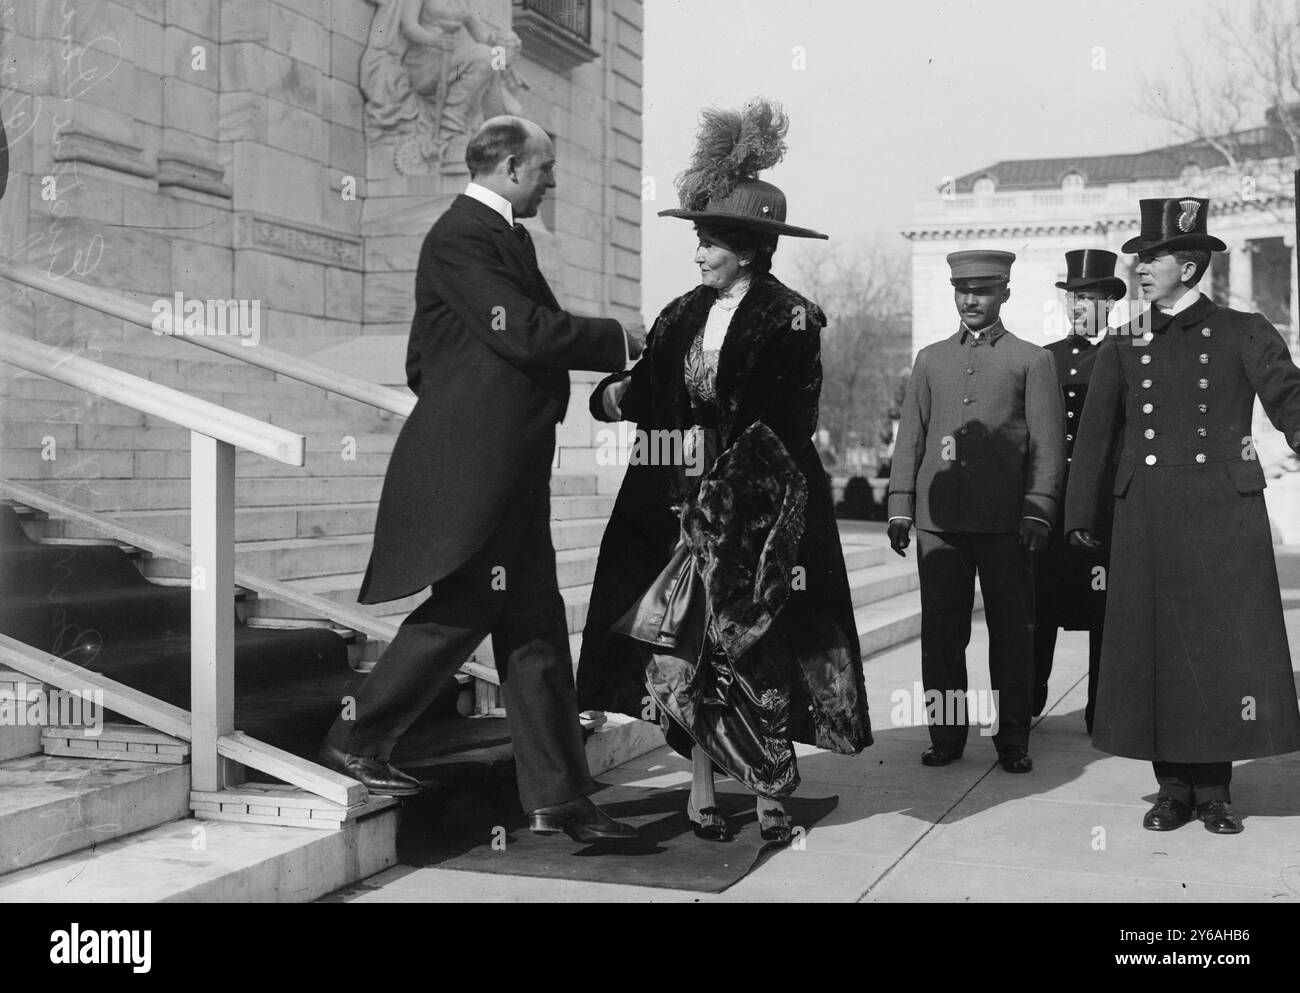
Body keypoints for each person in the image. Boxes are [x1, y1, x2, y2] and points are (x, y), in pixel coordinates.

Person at [319, 116, 644, 845]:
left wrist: (479, 400)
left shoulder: (494, 236)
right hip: (480, 474)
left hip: (505, 469)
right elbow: (525, 330)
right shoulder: (463, 233)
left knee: (532, 625)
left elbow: (423, 358)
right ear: (508, 167)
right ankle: (358, 738)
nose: (553, 181)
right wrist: (621, 337)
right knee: (471, 602)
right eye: (545, 167)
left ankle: (561, 796)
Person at [577, 100, 871, 844]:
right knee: (682, 653)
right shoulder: (682, 313)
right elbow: (647, 391)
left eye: (709, 240)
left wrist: (723, 500)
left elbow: (784, 428)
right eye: (700, 238)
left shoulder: (790, 320)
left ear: (746, 248)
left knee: (756, 652)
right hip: (670, 510)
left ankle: (772, 792)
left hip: (754, 519)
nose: (698, 251)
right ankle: (701, 781)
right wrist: (605, 399)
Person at [1066, 197, 1300, 834]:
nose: (1140, 266)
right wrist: (1081, 509)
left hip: (1223, 515)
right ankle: (1171, 788)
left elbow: (1289, 397)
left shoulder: (1243, 330)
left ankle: (1215, 789)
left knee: (1218, 652)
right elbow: (1095, 434)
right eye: (1140, 256)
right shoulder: (1126, 337)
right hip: (1145, 514)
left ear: (1191, 266)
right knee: (1154, 649)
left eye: (1154, 256)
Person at [887, 251, 1066, 773]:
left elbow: (1048, 446)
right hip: (939, 524)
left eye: (983, 291)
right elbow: (910, 439)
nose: (970, 300)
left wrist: (1038, 511)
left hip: (1007, 524)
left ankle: (1013, 737)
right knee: (943, 635)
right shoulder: (931, 359)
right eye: (961, 290)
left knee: (1013, 633)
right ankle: (945, 735)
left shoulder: (1032, 360)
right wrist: (901, 506)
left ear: (1004, 293)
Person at [1032, 250, 1126, 731]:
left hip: (1103, 502)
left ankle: (1101, 707)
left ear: (1110, 302)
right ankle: (1030, 696)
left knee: (1102, 608)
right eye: (1072, 298)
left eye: (1087, 298)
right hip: (1054, 498)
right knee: (1041, 601)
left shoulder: (1129, 352)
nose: (1077, 307)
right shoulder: (1047, 357)